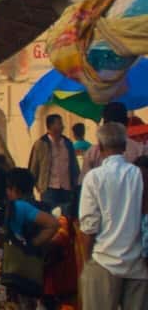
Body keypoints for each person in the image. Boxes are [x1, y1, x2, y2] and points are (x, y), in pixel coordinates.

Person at [77, 122, 147, 309]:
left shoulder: (94, 178)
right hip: (137, 264)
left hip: (103, 260)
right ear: (124, 146)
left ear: (100, 148)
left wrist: (87, 260)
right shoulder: (140, 175)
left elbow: (89, 226)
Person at [0, 168, 60, 302]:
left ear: (15, 189)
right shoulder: (27, 206)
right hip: (24, 268)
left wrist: (30, 245)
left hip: (10, 266)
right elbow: (52, 225)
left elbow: (53, 224)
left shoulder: (17, 206)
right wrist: (33, 244)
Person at [29, 114, 80, 212]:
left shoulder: (67, 143)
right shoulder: (41, 144)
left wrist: (75, 184)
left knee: (65, 217)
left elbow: (74, 165)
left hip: (66, 188)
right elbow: (34, 167)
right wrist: (37, 187)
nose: (62, 126)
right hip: (49, 189)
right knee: (51, 215)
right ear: (51, 126)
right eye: (59, 123)